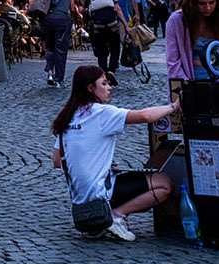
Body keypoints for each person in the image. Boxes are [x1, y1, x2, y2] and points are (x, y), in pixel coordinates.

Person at [52, 65, 181, 242]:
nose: (109, 87)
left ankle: (105, 217)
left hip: (80, 199)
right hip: (101, 192)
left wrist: (94, 162)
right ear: (90, 88)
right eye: (104, 83)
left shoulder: (67, 117)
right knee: (164, 183)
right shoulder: (101, 113)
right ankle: (116, 216)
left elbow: (57, 161)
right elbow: (144, 116)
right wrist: (174, 106)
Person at [30, 0, 81, 86]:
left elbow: (34, 2)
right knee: (61, 50)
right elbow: (72, 7)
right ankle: (59, 77)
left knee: (49, 47)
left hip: (46, 20)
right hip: (62, 20)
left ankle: (50, 72)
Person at [81, 0, 124, 87]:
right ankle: (111, 70)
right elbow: (117, 8)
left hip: (96, 27)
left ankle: (104, 74)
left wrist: (87, 11)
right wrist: (125, 24)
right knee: (115, 49)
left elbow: (81, 9)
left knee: (101, 52)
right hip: (112, 25)